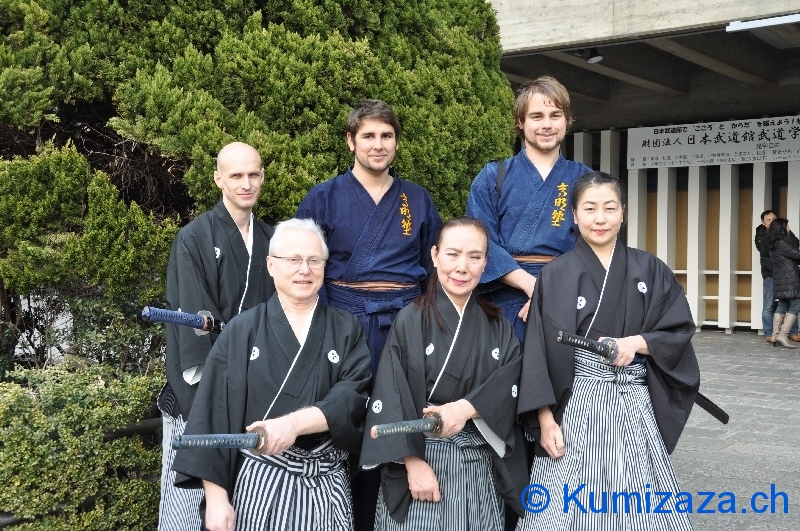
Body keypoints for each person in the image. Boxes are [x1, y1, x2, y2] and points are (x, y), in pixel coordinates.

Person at [517, 172, 699, 530]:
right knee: (568, 501)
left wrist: (636, 343)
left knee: (638, 492)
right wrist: (544, 419)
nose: (600, 218)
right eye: (589, 208)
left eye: (609, 208)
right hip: (577, 403)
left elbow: (677, 329)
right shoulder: (556, 275)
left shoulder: (650, 268)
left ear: (623, 213)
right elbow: (537, 350)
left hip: (633, 400)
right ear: (574, 215)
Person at [296, 99, 442, 530]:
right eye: (369, 137)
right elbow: (304, 267)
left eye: (386, 136)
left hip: (405, 321)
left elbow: (434, 266)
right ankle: (347, 516)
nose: (378, 145)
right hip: (346, 322)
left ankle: (399, 516)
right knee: (349, 419)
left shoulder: (415, 197)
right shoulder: (323, 197)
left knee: (405, 413)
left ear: (396, 142)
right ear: (351, 141)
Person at [172, 219, 372, 530]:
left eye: (313, 260)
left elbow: (353, 397)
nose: (304, 269)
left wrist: (293, 424)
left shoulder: (346, 328)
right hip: (260, 481)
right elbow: (213, 413)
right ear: (270, 265)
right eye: (293, 259)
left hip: (324, 482)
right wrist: (216, 499)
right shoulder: (243, 330)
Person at [360, 217, 528, 530]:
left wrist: (465, 409)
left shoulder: (498, 326)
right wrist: (411, 463)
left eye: (474, 257)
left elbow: (511, 383)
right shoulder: (411, 320)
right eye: (453, 254)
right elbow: (390, 392)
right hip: (423, 462)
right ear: (435, 256)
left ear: (486, 264)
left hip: (477, 463)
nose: (462, 267)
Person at [158, 142, 276, 530]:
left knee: (245, 502)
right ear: (218, 179)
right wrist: (215, 390)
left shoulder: (272, 240)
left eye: (253, 174)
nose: (246, 183)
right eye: (237, 175)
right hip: (205, 386)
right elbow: (192, 318)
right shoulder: (193, 238)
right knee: (191, 500)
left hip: (257, 388)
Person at [466, 75, 592, 340]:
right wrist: (530, 285)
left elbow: (594, 245)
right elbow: (479, 242)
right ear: (521, 123)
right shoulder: (492, 177)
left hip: (565, 298)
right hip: (503, 299)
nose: (546, 125)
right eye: (536, 116)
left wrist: (549, 290)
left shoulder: (585, 180)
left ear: (566, 121)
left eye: (555, 115)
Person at [765, 217, 800, 349]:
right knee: (796, 304)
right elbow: (796, 253)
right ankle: (783, 335)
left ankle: (775, 335)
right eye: (787, 226)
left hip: (781, 279)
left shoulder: (774, 242)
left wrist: (790, 234)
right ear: (781, 228)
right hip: (789, 278)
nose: (788, 228)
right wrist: (790, 235)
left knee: (782, 304)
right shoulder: (782, 242)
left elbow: (795, 246)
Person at [755, 210, 778, 342]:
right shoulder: (760, 234)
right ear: (763, 222)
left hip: (784, 273)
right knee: (769, 304)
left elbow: (793, 246)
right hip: (770, 273)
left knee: (789, 303)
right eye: (769, 220)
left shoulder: (782, 233)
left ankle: (792, 332)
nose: (772, 222)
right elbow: (764, 250)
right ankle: (768, 333)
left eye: (774, 219)